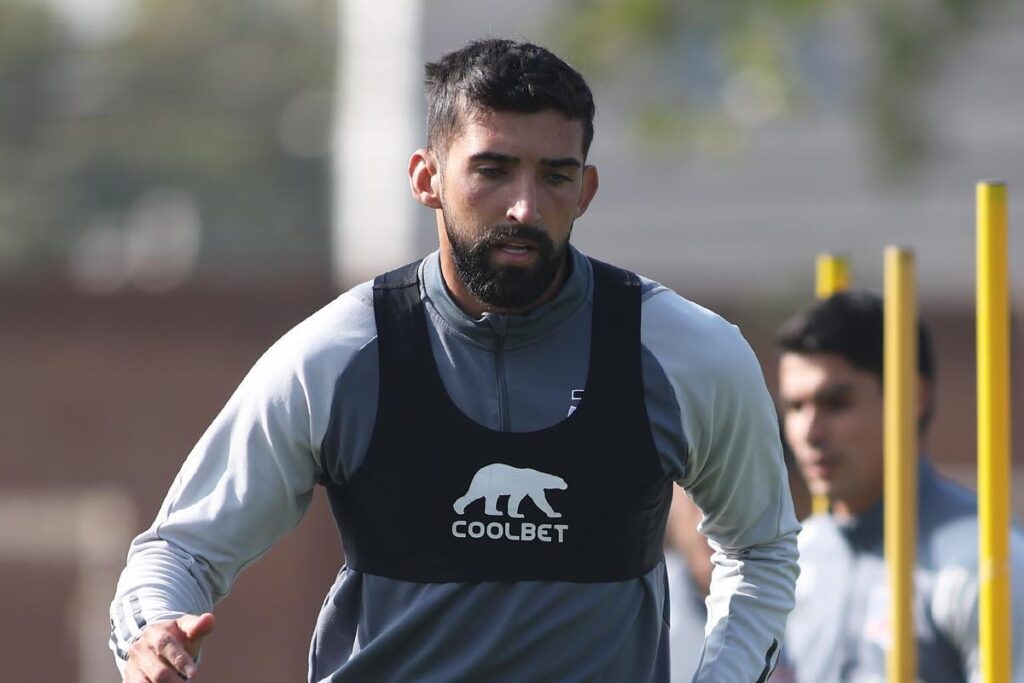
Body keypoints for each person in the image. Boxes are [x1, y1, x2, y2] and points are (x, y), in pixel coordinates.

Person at [109, 38, 800, 682]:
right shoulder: (340, 354)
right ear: (426, 177)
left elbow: (761, 552)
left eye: (554, 176)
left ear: (586, 190)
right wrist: (153, 633)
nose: (525, 207)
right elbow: (178, 551)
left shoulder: (687, 353)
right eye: (492, 171)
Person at [775, 290, 1024, 682]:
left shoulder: (984, 560)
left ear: (913, 397)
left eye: (836, 402)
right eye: (795, 407)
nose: (810, 431)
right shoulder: (797, 555)